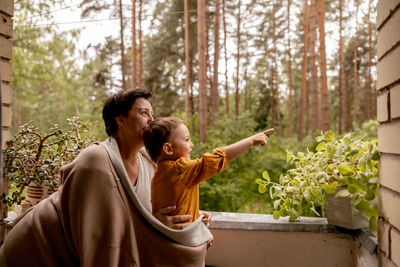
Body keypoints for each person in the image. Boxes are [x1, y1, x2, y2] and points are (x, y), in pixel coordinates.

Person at [0, 88, 212, 267]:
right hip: (39, 249)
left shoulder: (149, 163)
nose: (151, 120)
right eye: (144, 112)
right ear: (120, 119)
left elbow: (145, 213)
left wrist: (189, 213)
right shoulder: (96, 159)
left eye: (152, 114)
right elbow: (99, 229)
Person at [142, 117, 274, 225]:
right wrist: (250, 141)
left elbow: (174, 207)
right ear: (168, 149)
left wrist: (194, 212)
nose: (191, 144)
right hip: (183, 247)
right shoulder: (179, 169)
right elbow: (215, 160)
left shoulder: (160, 173)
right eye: (187, 140)